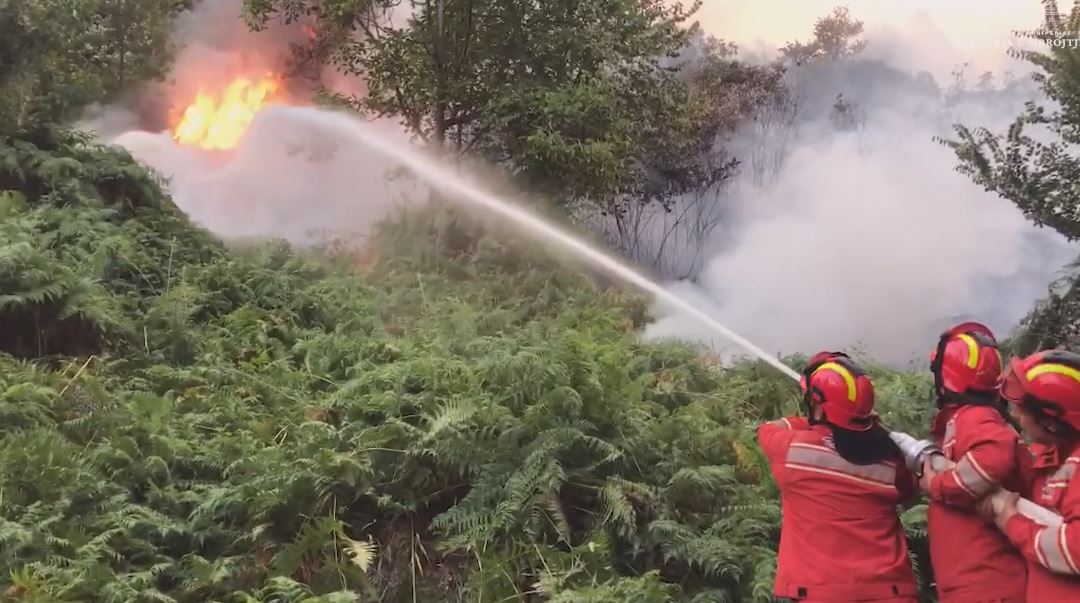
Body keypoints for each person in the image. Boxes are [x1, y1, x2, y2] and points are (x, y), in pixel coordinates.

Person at [757, 351, 919, 602]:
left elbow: (768, 429)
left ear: (817, 405)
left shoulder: (791, 449)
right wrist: (866, 426)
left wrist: (813, 420)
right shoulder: (891, 462)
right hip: (890, 593)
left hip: (819, 593)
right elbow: (910, 490)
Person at [916, 322, 1030, 602]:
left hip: (987, 587)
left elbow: (993, 458)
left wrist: (936, 484)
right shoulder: (970, 420)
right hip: (979, 585)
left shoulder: (975, 418)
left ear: (945, 376)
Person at [977, 349, 1080, 599]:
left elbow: (1075, 550)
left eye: (1022, 408)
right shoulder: (1052, 457)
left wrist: (1012, 522)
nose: (1015, 414)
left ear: (1051, 423)